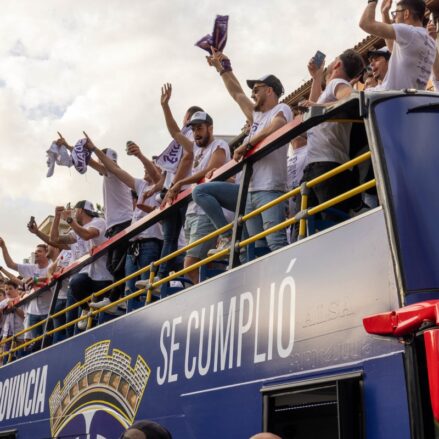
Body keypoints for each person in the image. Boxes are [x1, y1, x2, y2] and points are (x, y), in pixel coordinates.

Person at [207, 48, 293, 254]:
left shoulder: (281, 109)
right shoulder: (257, 115)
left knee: (276, 241)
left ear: (270, 90)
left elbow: (278, 124)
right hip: (251, 189)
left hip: (270, 187)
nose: (253, 93)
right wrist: (223, 68)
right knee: (254, 247)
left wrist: (247, 144)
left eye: (257, 89)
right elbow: (236, 93)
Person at [158, 83, 230, 285]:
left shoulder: (219, 145)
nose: (196, 133)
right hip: (192, 212)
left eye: (200, 128)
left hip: (205, 212)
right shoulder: (195, 149)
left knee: (189, 265)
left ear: (210, 128)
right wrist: (165, 107)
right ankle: (211, 289)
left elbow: (210, 171)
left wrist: (179, 182)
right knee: (200, 263)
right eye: (194, 129)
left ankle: (206, 294)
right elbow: (175, 132)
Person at [81, 134, 164, 311]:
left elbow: (154, 175)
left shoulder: (162, 186)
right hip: (135, 241)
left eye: (152, 165)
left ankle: (132, 308)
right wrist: (81, 149)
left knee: (146, 286)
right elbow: (114, 169)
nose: (145, 169)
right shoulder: (140, 185)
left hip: (150, 240)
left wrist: (141, 156)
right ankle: (121, 305)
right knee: (129, 284)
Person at [57, 134, 134, 309]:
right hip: (114, 225)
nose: (99, 163)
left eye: (102, 159)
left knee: (117, 265)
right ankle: (116, 299)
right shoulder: (109, 176)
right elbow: (89, 162)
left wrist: (90, 148)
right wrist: (71, 147)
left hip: (124, 223)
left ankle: (117, 300)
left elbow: (93, 162)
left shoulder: (114, 173)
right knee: (113, 264)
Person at [300, 50, 365, 220]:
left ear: (337, 64)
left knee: (330, 223)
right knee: (307, 226)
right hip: (317, 164)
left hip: (329, 165)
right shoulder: (327, 89)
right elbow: (311, 113)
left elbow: (350, 97)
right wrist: (316, 77)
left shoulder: (337, 82)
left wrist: (318, 106)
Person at [59, 201, 113, 331]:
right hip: (90, 274)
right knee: (76, 283)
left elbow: (87, 235)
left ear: (80, 211)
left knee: (105, 318)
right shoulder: (78, 228)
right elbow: (55, 240)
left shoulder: (98, 221)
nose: (73, 213)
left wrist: (69, 220)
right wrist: (56, 218)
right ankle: (86, 309)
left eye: (74, 210)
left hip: (104, 275)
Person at [359, 0, 436, 90]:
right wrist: (385, 13)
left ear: (406, 13)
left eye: (395, 13)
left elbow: (365, 23)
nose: (394, 18)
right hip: (407, 99)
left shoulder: (408, 32)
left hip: (388, 98)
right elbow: (392, 47)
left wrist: (372, 2)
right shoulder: (427, 40)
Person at [0, 238, 51, 350]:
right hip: (33, 313)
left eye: (39, 251)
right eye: (35, 251)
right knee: (33, 345)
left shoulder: (51, 266)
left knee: (47, 342)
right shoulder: (31, 268)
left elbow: (52, 277)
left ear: (46, 253)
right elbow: (11, 264)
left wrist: (37, 280)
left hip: (48, 309)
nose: (36, 253)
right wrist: (3, 246)